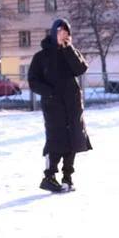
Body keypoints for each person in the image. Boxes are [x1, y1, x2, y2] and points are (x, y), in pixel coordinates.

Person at [27, 17, 91, 192]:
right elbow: (33, 81)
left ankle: (67, 178)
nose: (63, 35)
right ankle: (49, 176)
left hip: (72, 103)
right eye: (60, 31)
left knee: (73, 139)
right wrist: (49, 93)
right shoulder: (41, 57)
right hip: (53, 105)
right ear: (53, 32)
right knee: (56, 140)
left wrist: (68, 48)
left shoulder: (70, 52)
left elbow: (81, 69)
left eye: (66, 32)